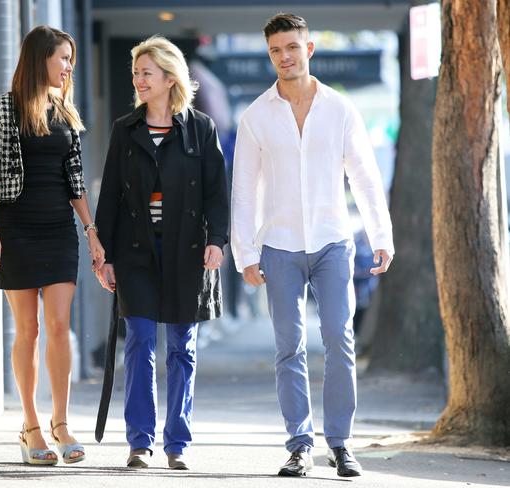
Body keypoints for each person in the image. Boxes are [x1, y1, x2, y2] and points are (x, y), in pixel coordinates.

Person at [231, 13, 394, 478]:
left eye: (291, 48)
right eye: (275, 51)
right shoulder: (256, 116)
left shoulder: (340, 109)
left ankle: (340, 444)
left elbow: (364, 175)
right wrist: (246, 252)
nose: (284, 57)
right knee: (289, 345)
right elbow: (244, 189)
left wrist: (380, 236)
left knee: (340, 339)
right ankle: (299, 444)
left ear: (309, 49)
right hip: (279, 247)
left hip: (332, 243)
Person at [94, 35, 228, 470]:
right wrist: (105, 254)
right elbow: (111, 194)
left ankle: (178, 443)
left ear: (170, 79)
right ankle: (139, 442)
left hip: (185, 250)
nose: (137, 80)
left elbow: (216, 193)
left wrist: (217, 240)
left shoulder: (201, 129)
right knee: (139, 342)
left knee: (183, 347)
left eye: (145, 72)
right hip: (135, 252)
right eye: (135, 72)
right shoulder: (124, 129)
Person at [0, 25, 104, 466]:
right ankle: (30, 425)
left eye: (71, 58)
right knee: (27, 330)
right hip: (16, 229)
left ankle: (61, 421)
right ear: (40, 59)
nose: (69, 66)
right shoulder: (3, 110)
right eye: (63, 58)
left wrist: (91, 232)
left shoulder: (65, 112)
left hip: (58, 230)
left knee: (57, 325)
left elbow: (76, 182)